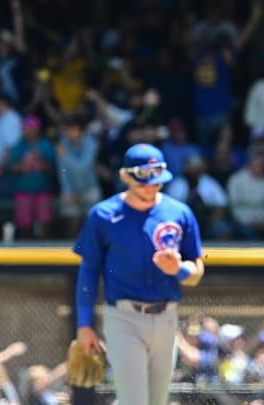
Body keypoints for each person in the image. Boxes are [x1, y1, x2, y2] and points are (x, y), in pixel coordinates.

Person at [73, 143, 205, 405]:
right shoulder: (103, 215)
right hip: (124, 317)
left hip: (167, 317)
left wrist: (177, 270)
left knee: (157, 401)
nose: (151, 186)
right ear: (125, 176)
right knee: (135, 401)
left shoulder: (179, 213)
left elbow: (197, 273)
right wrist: (84, 325)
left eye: (157, 181)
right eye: (144, 181)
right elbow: (88, 271)